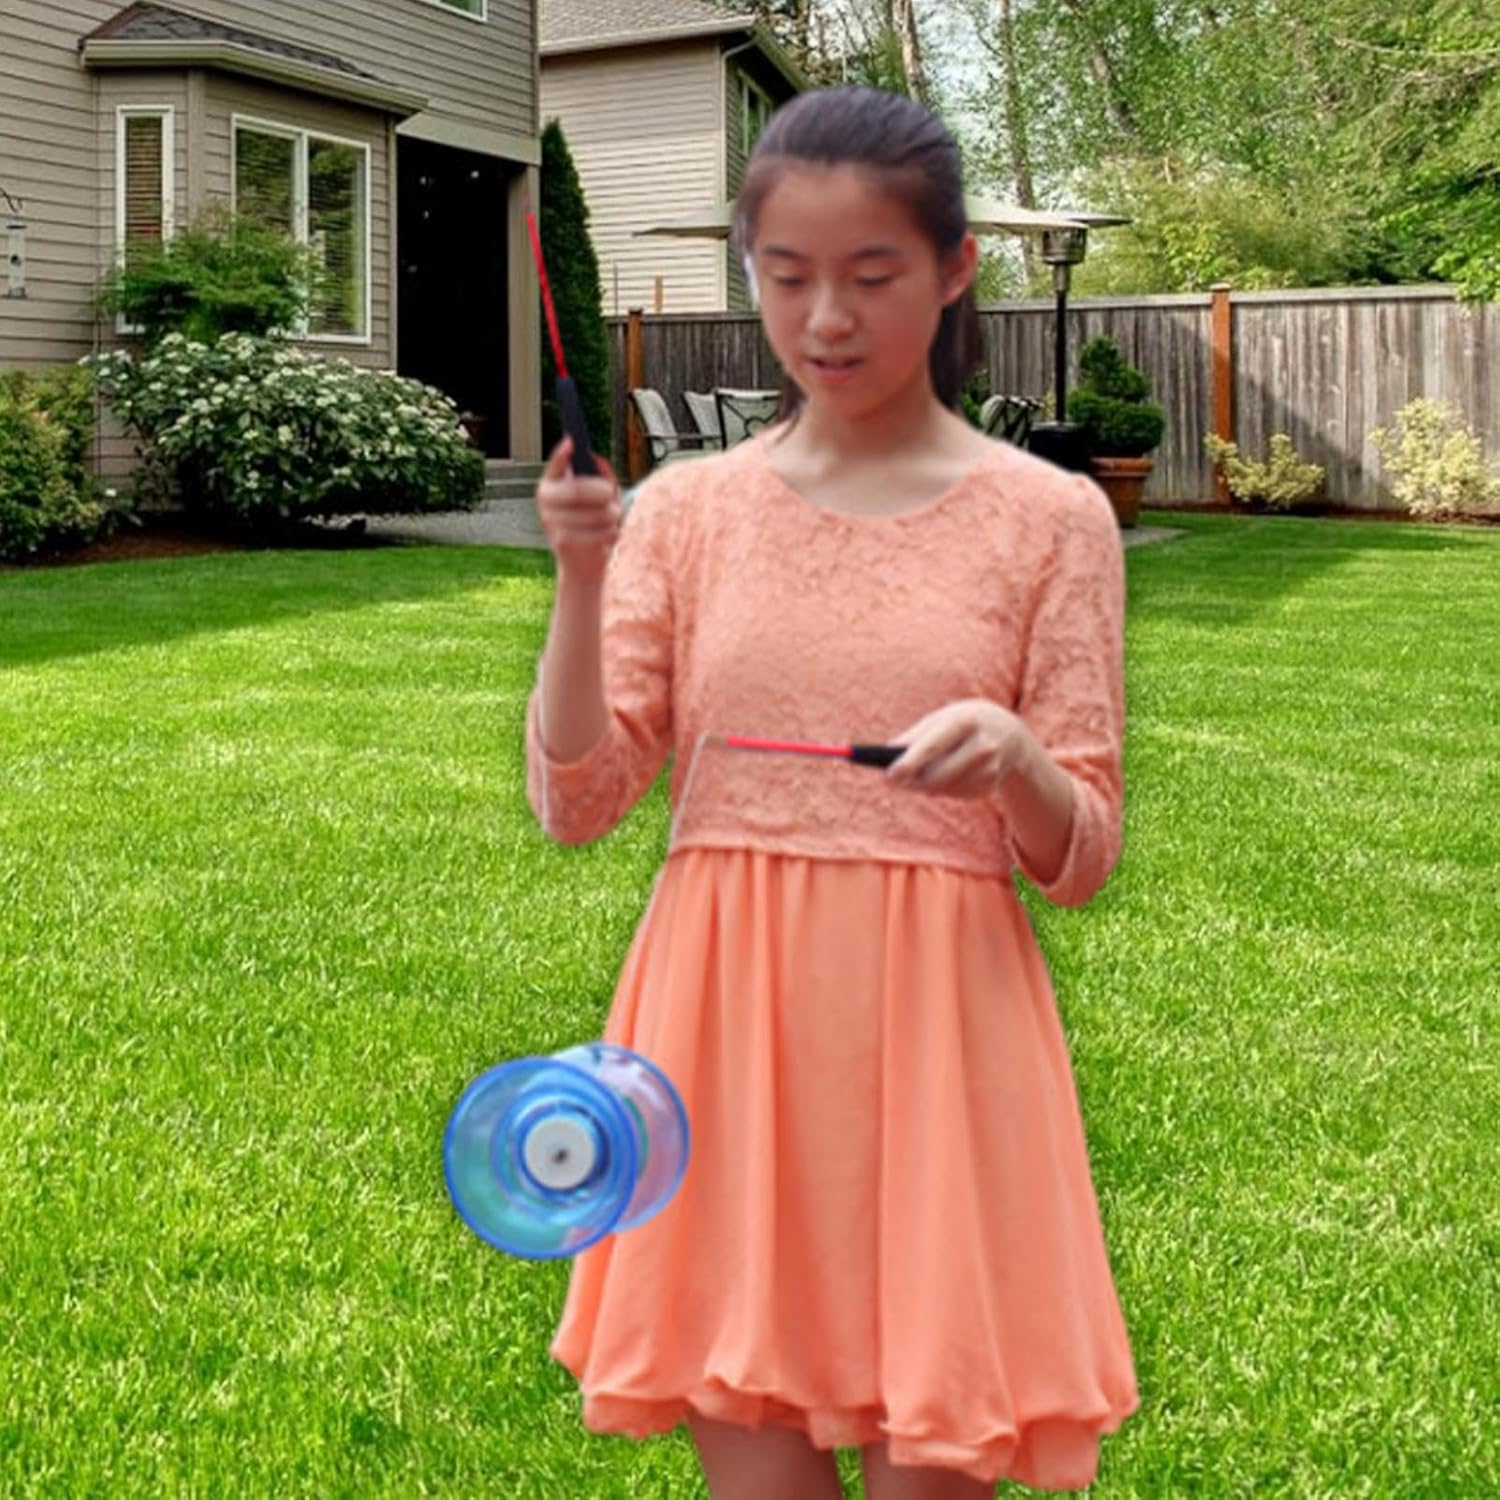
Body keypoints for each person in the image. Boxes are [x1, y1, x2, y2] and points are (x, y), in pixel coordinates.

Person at [527, 85, 1138, 1500]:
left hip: (946, 1043)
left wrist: (1020, 760)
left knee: (940, 1453)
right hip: (720, 1035)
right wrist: (579, 583)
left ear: (954, 267)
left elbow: (1083, 852)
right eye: (787, 277)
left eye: (872, 276)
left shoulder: (1053, 520)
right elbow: (583, 798)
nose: (827, 320)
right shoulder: (688, 511)